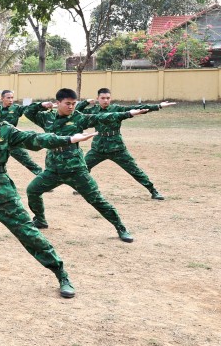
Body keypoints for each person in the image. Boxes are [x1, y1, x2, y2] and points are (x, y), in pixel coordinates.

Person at [0, 89, 96, 298]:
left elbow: (35, 139)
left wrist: (68, 139)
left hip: (2, 194)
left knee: (30, 236)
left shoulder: (5, 131)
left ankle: (61, 275)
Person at [24, 88, 152, 242]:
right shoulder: (47, 118)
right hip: (53, 170)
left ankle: (121, 228)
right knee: (32, 190)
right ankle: (40, 220)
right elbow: (28, 112)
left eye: (73, 103)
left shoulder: (79, 118)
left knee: (97, 200)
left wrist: (129, 113)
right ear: (58, 103)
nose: (71, 107)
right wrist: (41, 105)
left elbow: (103, 117)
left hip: (76, 170)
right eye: (67, 103)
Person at [76, 89, 175, 200]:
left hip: (117, 148)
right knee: (82, 167)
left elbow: (137, 108)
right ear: (98, 98)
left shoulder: (116, 108)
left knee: (135, 170)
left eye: (108, 98)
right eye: (103, 98)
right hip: (98, 148)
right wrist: (86, 102)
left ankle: (153, 191)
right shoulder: (93, 110)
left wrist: (158, 106)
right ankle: (83, 188)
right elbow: (76, 112)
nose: (105, 101)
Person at [0, 90, 44, 175]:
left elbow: (29, 109)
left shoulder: (16, 108)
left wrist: (41, 105)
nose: (11, 100)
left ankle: (44, 180)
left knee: (28, 161)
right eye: (8, 98)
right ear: (2, 98)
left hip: (12, 141)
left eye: (12, 98)